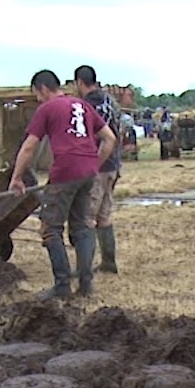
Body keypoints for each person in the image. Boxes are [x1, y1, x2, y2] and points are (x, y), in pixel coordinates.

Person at [8, 69, 116, 298]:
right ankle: (86, 285)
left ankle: (62, 286)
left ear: (43, 89)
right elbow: (110, 138)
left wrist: (16, 177)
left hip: (65, 171)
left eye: (37, 94)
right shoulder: (82, 105)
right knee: (82, 226)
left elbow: (29, 146)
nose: (38, 99)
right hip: (88, 173)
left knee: (50, 229)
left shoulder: (47, 108)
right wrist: (94, 164)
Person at [74, 64, 122, 275]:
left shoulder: (86, 106)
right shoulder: (109, 101)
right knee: (104, 215)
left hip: (98, 166)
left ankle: (84, 269)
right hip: (113, 164)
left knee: (87, 217)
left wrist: (91, 165)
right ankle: (108, 262)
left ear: (79, 82)